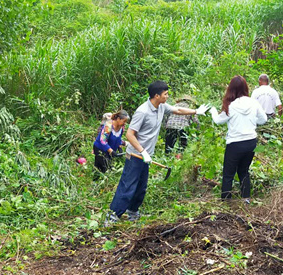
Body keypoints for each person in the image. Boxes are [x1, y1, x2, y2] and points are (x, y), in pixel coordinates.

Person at [106, 81, 210, 224]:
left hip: (146, 156)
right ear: (156, 96)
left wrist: (196, 111)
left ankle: (133, 212)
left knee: (141, 187)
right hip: (135, 155)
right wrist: (142, 151)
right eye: (165, 94)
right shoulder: (142, 111)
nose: (167, 96)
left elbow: (178, 110)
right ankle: (112, 216)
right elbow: (130, 134)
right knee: (127, 186)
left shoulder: (161, 107)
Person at [209, 75, 267, 204]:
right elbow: (263, 119)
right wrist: (252, 121)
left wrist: (213, 111)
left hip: (235, 143)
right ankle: (246, 199)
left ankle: (226, 201)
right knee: (244, 171)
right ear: (245, 88)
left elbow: (218, 121)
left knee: (228, 174)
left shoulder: (231, 105)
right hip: (251, 142)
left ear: (231, 89)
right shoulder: (253, 102)